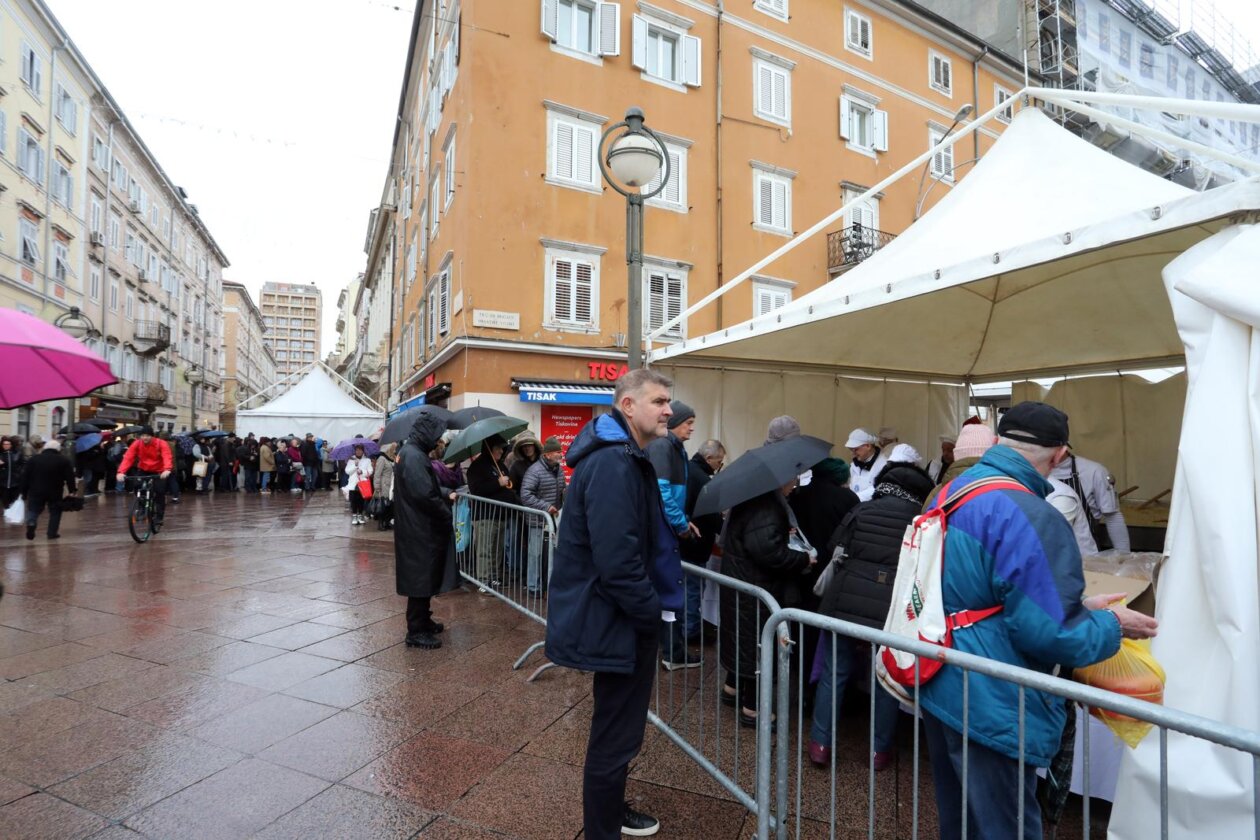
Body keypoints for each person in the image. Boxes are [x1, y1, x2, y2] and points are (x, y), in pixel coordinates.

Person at [918, 402, 1157, 840]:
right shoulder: (1034, 514)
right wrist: (1110, 624)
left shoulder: (951, 490)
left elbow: (979, 589)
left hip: (939, 672)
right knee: (1004, 826)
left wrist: (1081, 607)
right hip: (993, 696)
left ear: (998, 441)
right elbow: (1053, 635)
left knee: (960, 820)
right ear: (1060, 454)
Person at [546, 368, 681, 839]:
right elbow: (618, 562)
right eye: (659, 401)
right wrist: (649, 613)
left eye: (668, 402)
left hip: (618, 616)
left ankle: (610, 812)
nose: (669, 410)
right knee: (615, 736)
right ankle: (602, 829)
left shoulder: (622, 456)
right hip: (619, 619)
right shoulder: (613, 463)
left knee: (618, 731)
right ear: (628, 405)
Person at [808, 459, 935, 771]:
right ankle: (879, 750)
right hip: (891, 608)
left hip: (845, 600)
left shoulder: (862, 510)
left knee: (834, 673)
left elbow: (835, 546)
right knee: (885, 677)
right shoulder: (921, 520)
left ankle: (820, 744)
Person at [720, 475, 816, 724]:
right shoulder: (766, 507)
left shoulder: (752, 498)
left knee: (742, 638)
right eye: (792, 481)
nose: (794, 486)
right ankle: (753, 708)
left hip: (743, 583)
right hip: (758, 586)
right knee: (759, 645)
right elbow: (770, 553)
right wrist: (803, 559)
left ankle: (732, 688)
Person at [646, 399, 702, 671]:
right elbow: (663, 493)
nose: (692, 428)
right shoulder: (663, 446)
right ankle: (672, 652)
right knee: (668, 592)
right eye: (689, 423)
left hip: (665, 527)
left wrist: (684, 521)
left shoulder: (672, 447)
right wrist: (681, 524)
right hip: (663, 530)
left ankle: (670, 649)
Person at [394, 412, 454, 649]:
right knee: (420, 578)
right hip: (419, 527)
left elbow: (425, 488)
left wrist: (442, 494)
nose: (438, 441)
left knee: (423, 576)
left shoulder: (410, 453)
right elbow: (424, 494)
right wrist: (445, 512)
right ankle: (416, 630)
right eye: (436, 436)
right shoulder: (414, 456)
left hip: (415, 525)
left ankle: (422, 620)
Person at [1051, 451, 1130, 552]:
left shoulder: (1094, 471)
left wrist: (1124, 554)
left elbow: (1113, 516)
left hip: (1086, 553)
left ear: (1063, 448)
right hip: (1046, 550)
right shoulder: (1034, 473)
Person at [466, 434, 516, 587]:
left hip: (500, 515)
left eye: (502, 448)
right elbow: (476, 489)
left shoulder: (500, 465)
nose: (501, 451)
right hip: (485, 515)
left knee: (497, 550)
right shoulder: (477, 467)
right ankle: (484, 581)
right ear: (489, 449)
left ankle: (494, 577)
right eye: (498, 448)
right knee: (485, 550)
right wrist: (497, 483)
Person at [519, 436, 567, 594]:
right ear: (547, 454)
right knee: (535, 554)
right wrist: (546, 507)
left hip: (553, 520)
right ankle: (533, 587)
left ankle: (548, 585)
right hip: (537, 520)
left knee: (550, 554)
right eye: (557, 452)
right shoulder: (535, 471)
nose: (560, 454)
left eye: (560, 451)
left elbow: (562, 488)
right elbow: (526, 495)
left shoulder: (558, 469)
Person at [116, 426, 174, 528]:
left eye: (147, 436)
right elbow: (128, 457)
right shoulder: (137, 443)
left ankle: (159, 517)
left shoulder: (161, 443)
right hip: (143, 469)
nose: (144, 438)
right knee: (137, 485)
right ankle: (142, 506)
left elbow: (167, 456)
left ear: (152, 436)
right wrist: (121, 472)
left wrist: (167, 469)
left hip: (159, 471)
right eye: (142, 436)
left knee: (159, 492)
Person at [20, 437, 76, 540]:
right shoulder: (63, 460)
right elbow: (70, 477)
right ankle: (52, 533)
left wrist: (24, 492)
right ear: (58, 449)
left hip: (36, 490)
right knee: (55, 511)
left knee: (33, 509)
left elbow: (25, 476)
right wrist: (72, 490)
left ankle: (31, 522)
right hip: (55, 490)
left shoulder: (34, 459)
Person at [846, 428, 888, 502]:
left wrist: (853, 498)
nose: (852, 453)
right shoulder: (854, 465)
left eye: (855, 449)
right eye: (851, 450)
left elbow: (878, 488)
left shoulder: (884, 465)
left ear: (868, 446)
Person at [345, 444, 374, 525]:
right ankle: (354, 515)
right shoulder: (351, 460)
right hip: (353, 483)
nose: (358, 452)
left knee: (361, 500)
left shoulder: (367, 460)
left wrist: (362, 472)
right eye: (357, 450)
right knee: (353, 500)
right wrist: (355, 466)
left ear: (363, 451)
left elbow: (370, 471)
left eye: (360, 450)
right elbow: (347, 471)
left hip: (363, 483)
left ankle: (360, 515)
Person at [374, 443, 397, 531]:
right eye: (393, 449)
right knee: (383, 505)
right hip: (384, 486)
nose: (395, 450)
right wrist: (377, 487)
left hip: (391, 486)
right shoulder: (382, 458)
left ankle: (387, 522)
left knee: (390, 505)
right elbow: (377, 474)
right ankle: (380, 524)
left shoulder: (392, 458)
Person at [1, 436, 26, 512]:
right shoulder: (1, 454)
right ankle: (6, 514)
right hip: (3, 483)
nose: (6, 446)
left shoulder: (18, 453)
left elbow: (24, 464)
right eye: (4, 444)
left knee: (14, 501)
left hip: (15, 482)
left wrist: (19, 472)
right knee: (5, 502)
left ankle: (12, 515)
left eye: (8, 444)